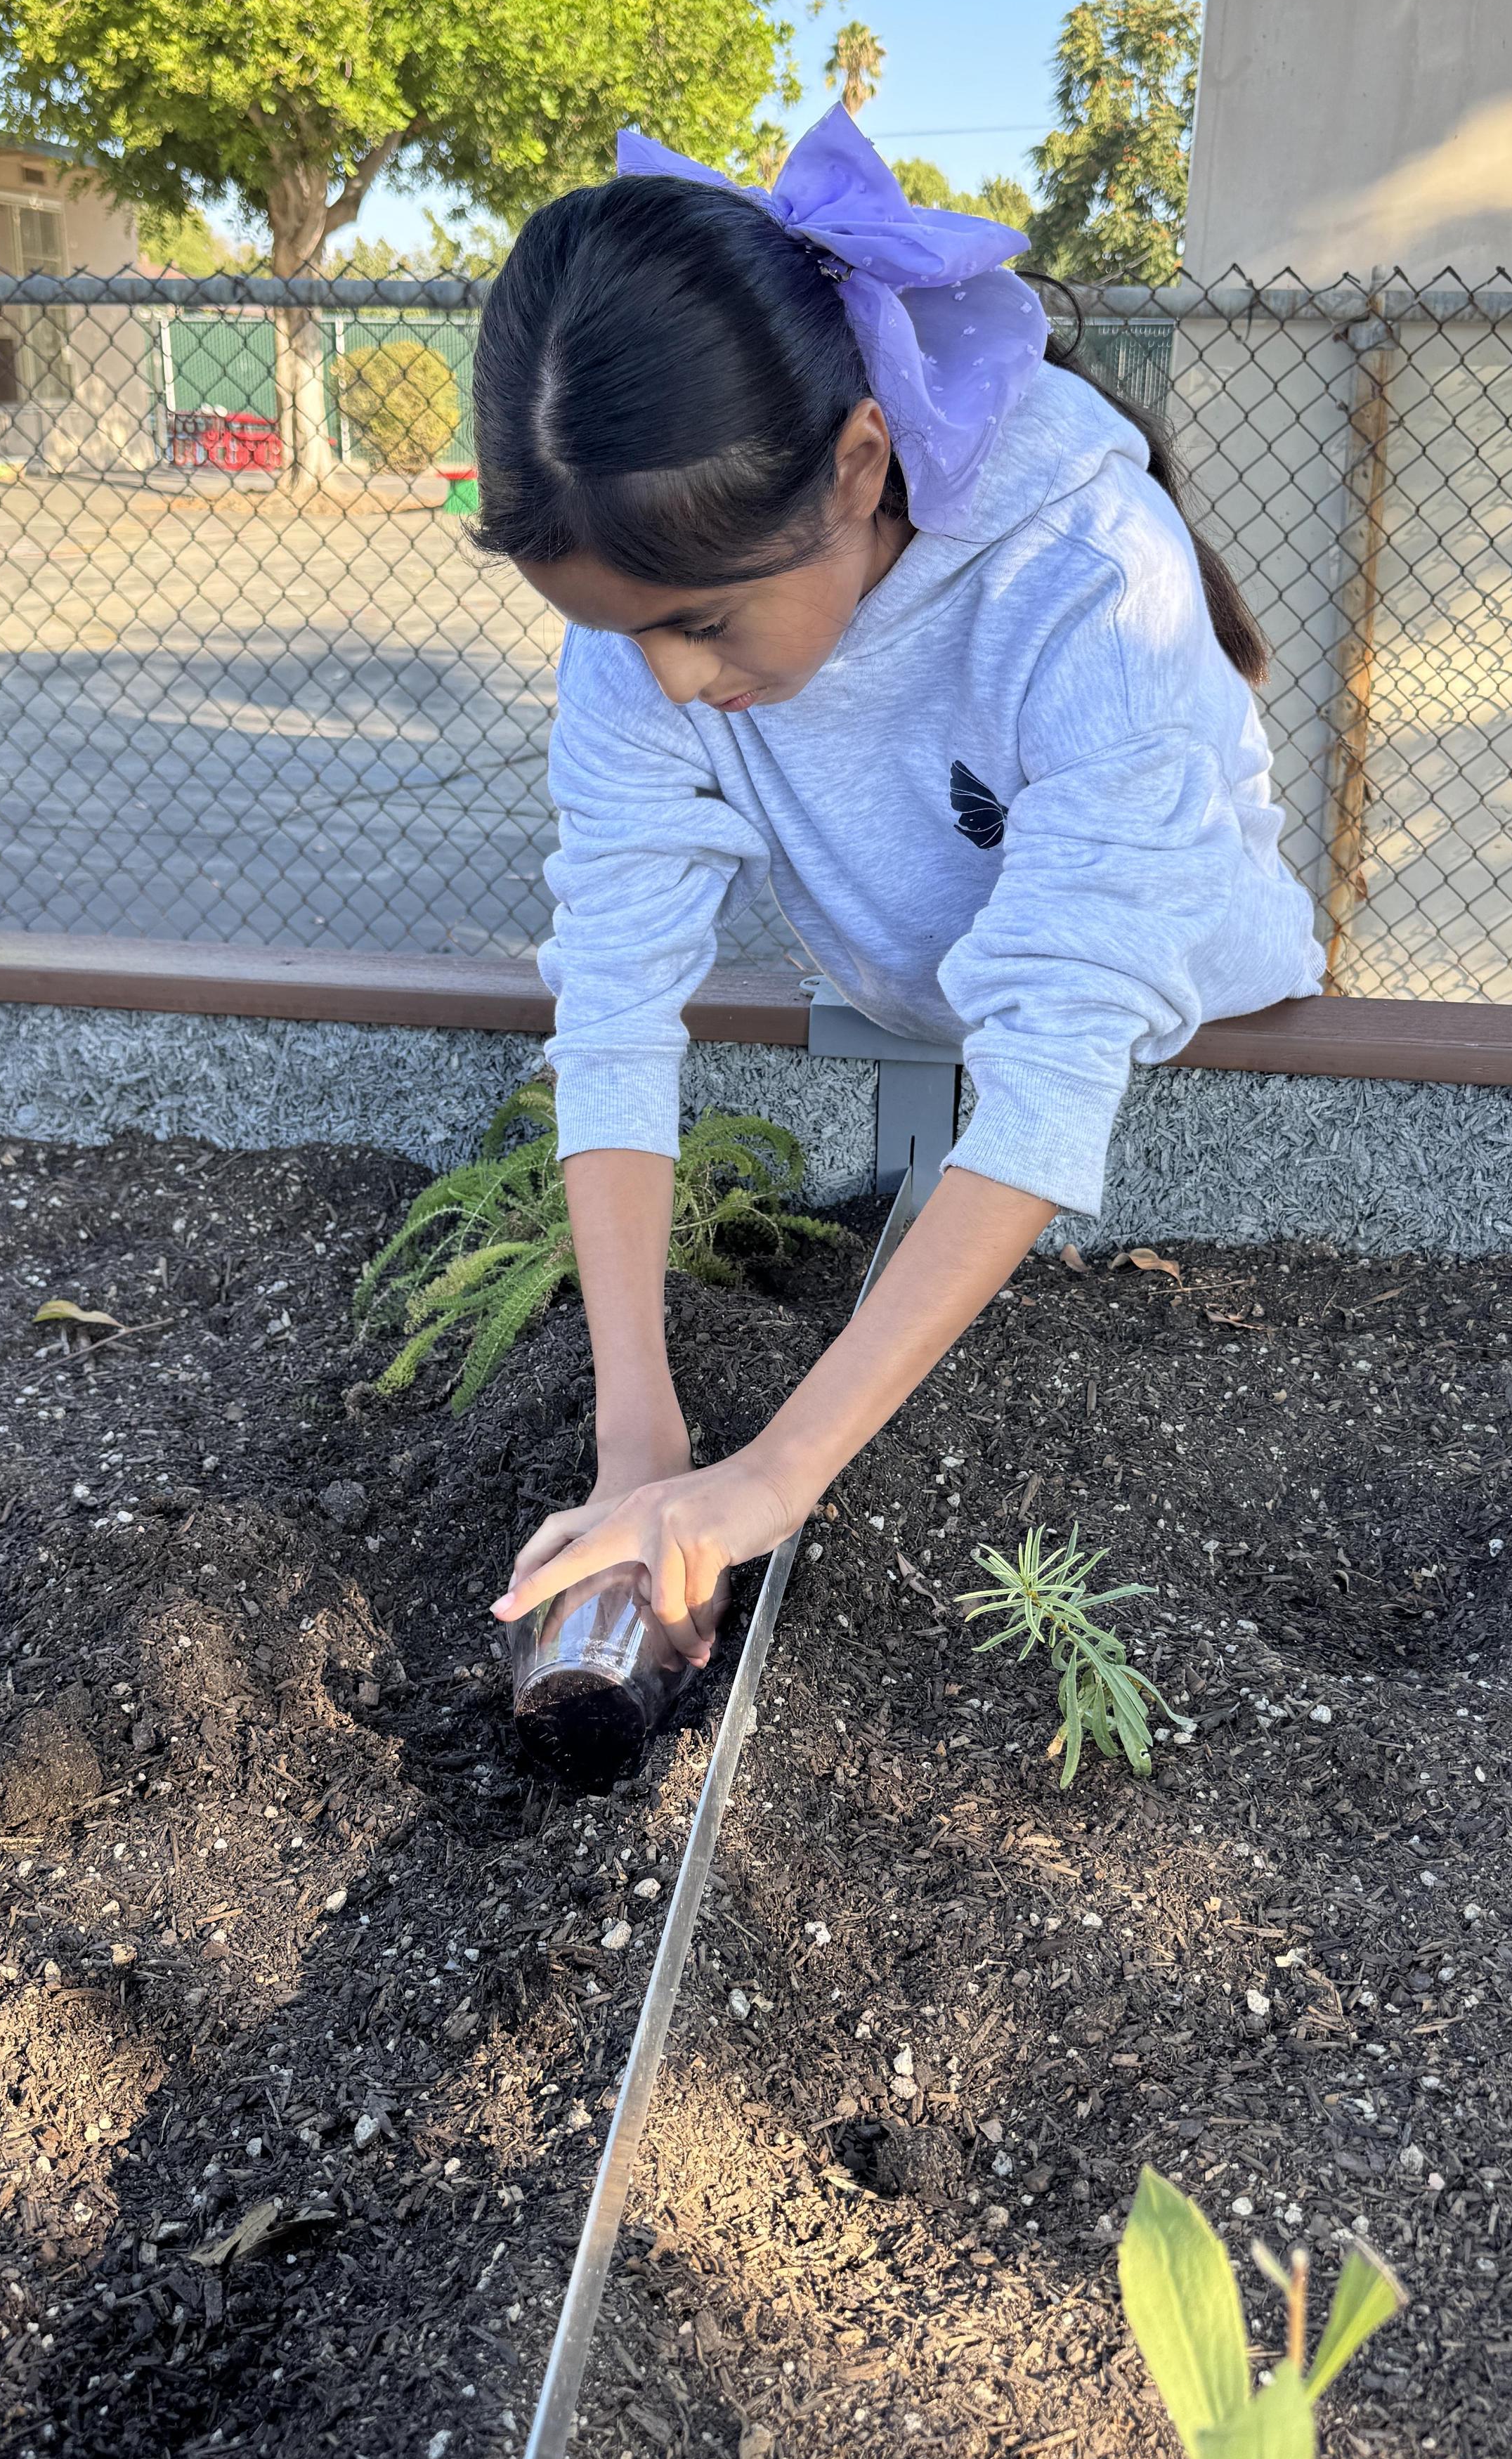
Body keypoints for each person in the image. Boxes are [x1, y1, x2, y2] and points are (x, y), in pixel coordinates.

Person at [476, 106, 1322, 1660]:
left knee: (1047, 1024)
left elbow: (1059, 1061)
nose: (666, 681)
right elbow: (611, 998)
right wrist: (639, 1441)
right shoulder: (646, 618)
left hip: (1184, 1006)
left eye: (703, 627)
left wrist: (780, 1475)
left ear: (861, 462)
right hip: (919, 985)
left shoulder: (1085, 576)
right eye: (621, 634)